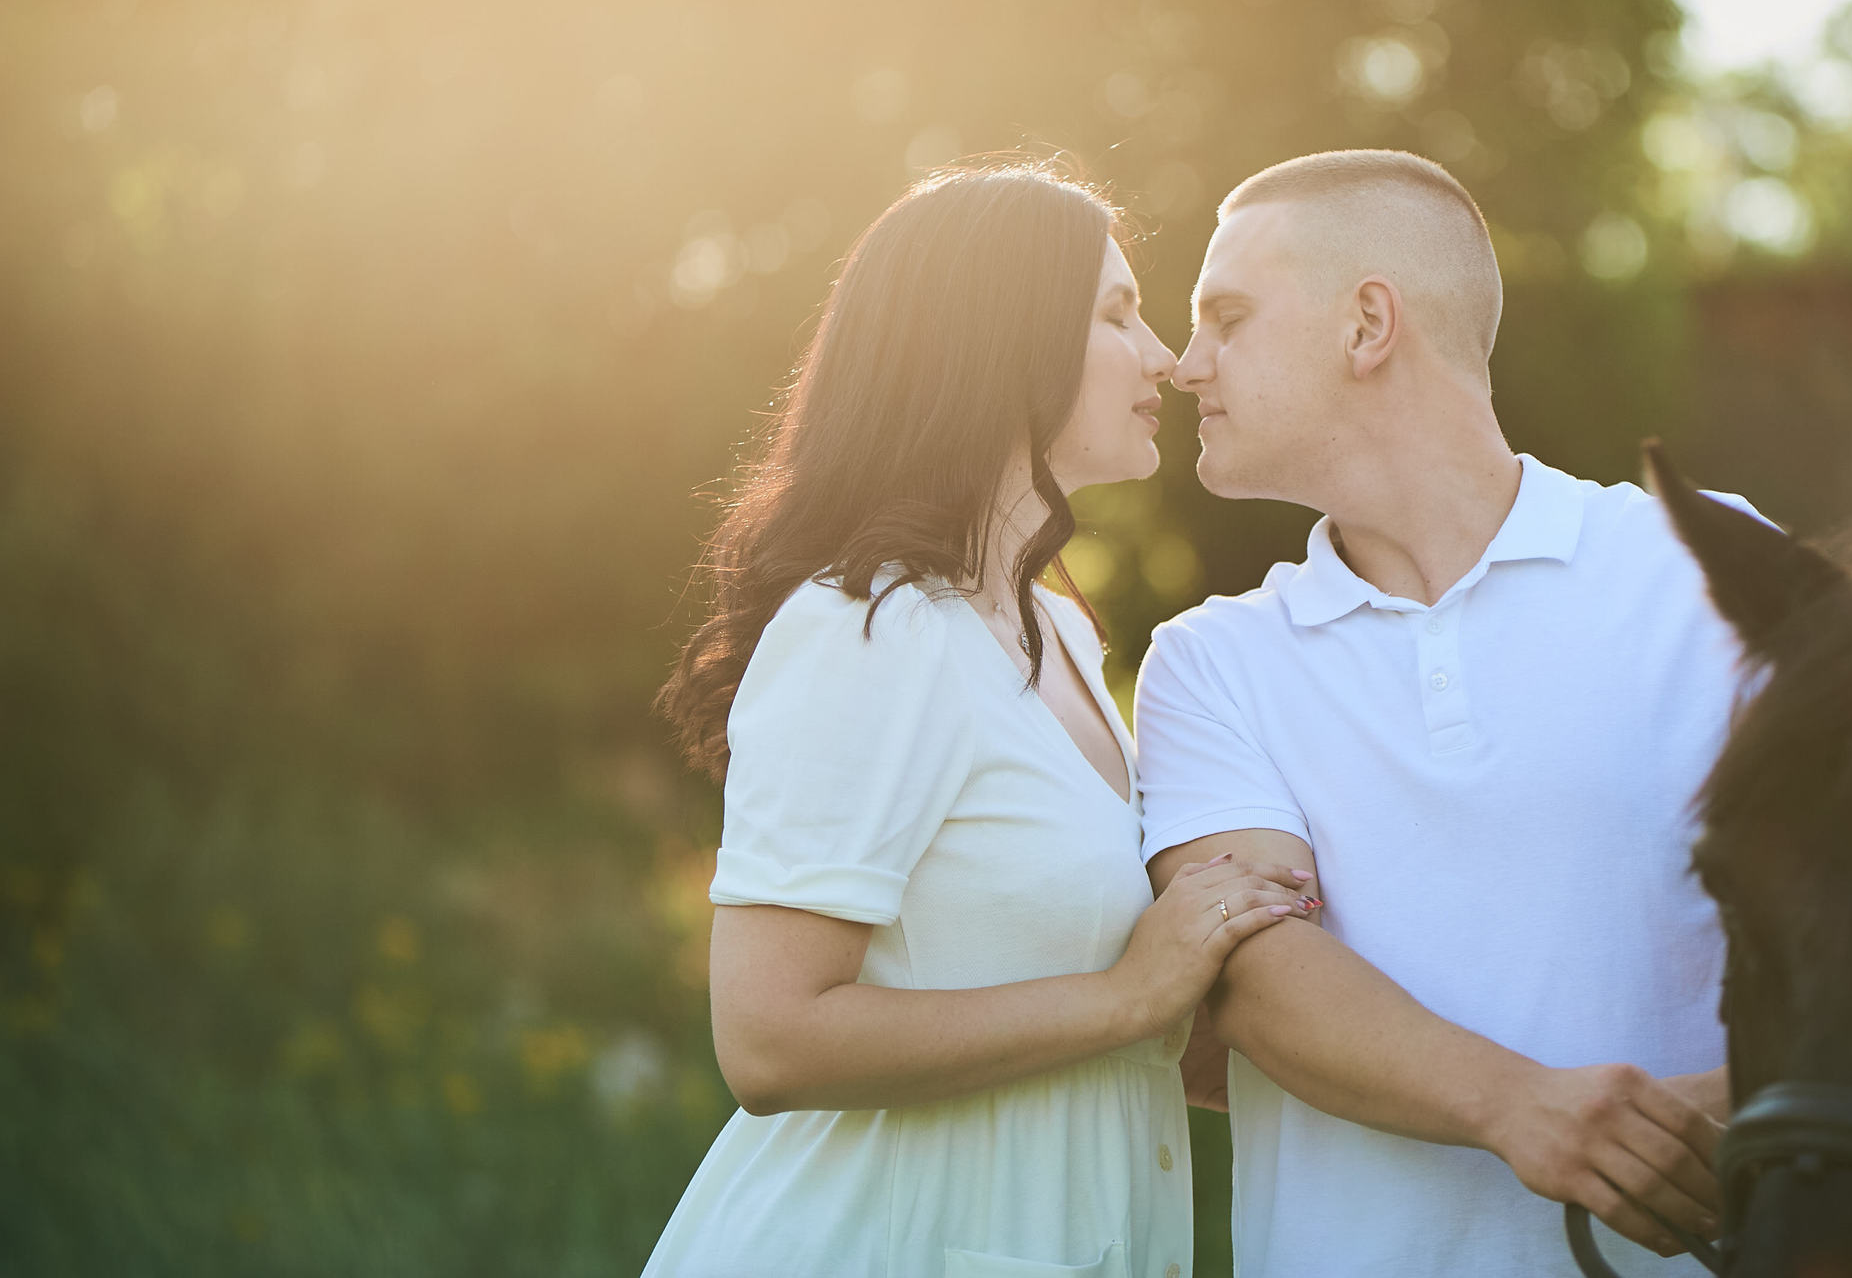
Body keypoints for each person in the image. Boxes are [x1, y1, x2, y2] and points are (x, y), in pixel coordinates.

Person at [643, 161, 1315, 1278]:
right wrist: (1126, 997)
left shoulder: (1056, 631)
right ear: (1001, 344)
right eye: (1114, 313)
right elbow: (768, 1036)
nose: (1162, 355)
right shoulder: (870, 624)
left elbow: (1108, 993)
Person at [1136, 149, 1760, 1277]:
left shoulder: (1713, 565)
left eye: (1226, 316)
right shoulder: (1209, 661)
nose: (1184, 365)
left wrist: (1763, 1094)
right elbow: (1251, 970)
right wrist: (1526, 1109)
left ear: (1366, 323)